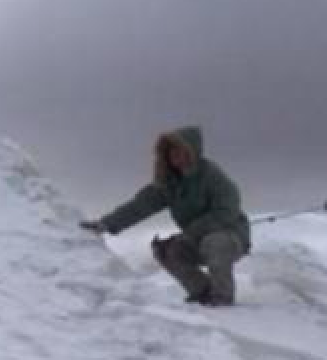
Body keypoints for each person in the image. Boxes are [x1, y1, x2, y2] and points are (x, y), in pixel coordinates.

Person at [80, 126, 251, 306]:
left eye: (181, 150)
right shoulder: (167, 184)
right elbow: (139, 206)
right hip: (196, 237)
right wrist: (106, 224)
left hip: (231, 236)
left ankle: (222, 298)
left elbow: (227, 211)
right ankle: (203, 291)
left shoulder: (213, 176)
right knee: (166, 250)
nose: (176, 155)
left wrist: (192, 232)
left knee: (214, 243)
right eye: (172, 151)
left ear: (193, 151)